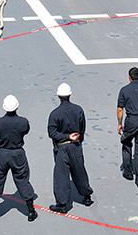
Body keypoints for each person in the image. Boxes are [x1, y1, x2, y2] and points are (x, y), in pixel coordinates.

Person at [0, 95, 38, 224]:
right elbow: (25, 131)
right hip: (18, 154)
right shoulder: (23, 122)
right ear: (17, 106)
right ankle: (30, 212)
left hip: (2, 154)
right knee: (23, 180)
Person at [47, 83, 93, 214]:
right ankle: (86, 196)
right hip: (75, 146)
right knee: (79, 171)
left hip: (62, 148)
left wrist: (66, 136)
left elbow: (52, 133)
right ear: (70, 95)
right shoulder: (78, 109)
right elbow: (82, 127)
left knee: (61, 176)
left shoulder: (54, 114)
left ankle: (62, 204)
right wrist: (78, 139)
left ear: (58, 96)